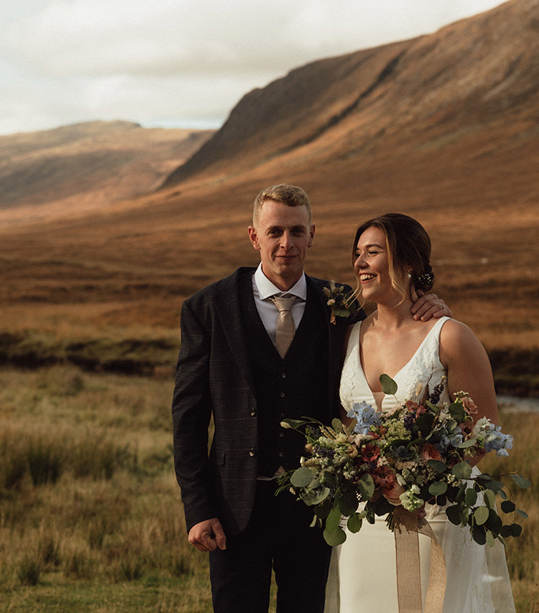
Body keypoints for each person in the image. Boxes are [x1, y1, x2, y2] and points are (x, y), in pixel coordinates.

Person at [170, 186, 450, 613]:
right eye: (275, 231)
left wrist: (425, 303)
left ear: (312, 235)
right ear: (254, 236)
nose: (287, 244)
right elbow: (188, 419)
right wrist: (198, 508)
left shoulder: (341, 306)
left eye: (297, 231)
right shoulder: (208, 308)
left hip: (318, 506)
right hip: (234, 508)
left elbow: (393, 325)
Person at [326, 213, 516, 612]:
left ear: (409, 262)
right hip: (366, 512)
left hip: (438, 511)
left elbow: (483, 428)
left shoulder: (449, 336)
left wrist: (422, 477)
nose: (360, 263)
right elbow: (346, 424)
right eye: (357, 253)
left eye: (373, 252)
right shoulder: (348, 335)